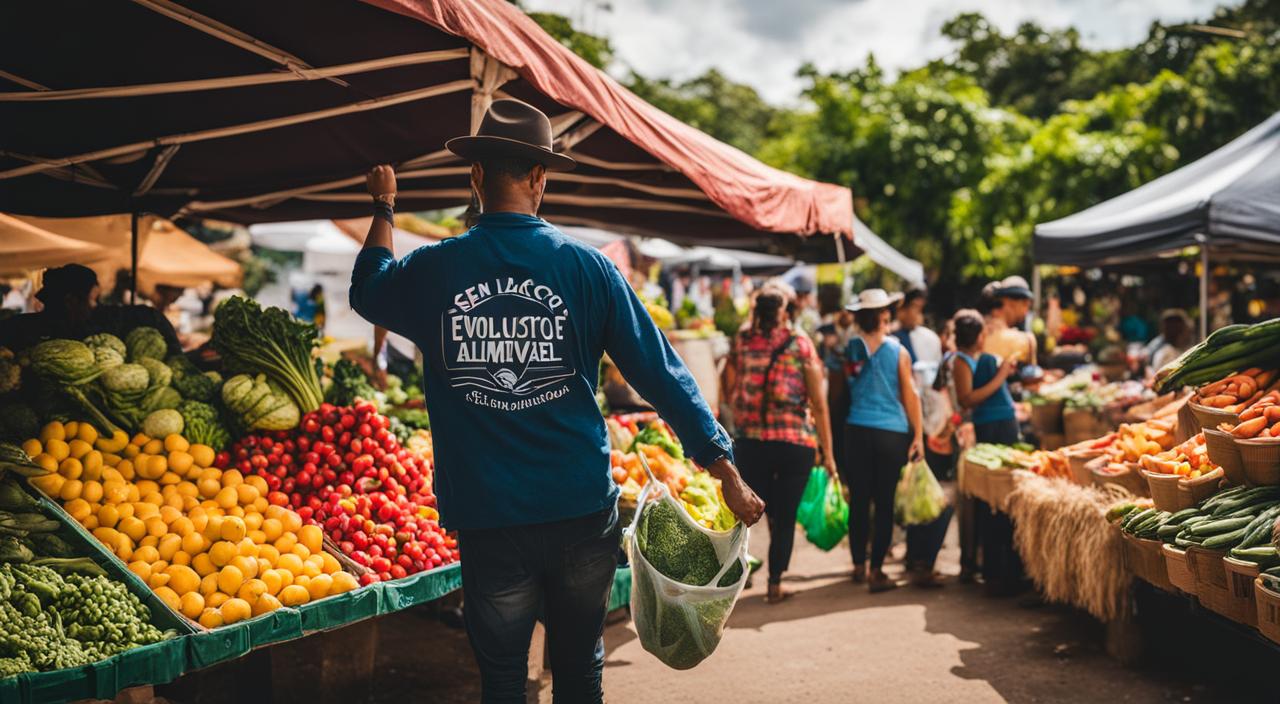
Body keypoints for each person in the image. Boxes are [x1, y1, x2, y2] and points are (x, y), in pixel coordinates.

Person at [348, 99, 763, 703]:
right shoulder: (589, 270)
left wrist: (385, 207)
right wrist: (723, 469)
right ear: (540, 179)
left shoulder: (438, 267)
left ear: (475, 177)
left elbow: (369, 290)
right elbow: (662, 372)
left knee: (503, 679)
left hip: (489, 516)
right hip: (578, 508)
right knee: (578, 668)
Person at [723, 281, 837, 604]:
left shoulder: (742, 341)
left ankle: (733, 579)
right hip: (793, 443)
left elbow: (728, 382)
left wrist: (735, 404)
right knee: (784, 518)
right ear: (784, 312)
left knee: (746, 514)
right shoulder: (801, 344)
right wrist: (828, 453)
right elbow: (818, 402)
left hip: (751, 441)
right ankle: (774, 584)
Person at [841, 288, 924, 593]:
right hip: (892, 433)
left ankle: (857, 565)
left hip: (857, 431)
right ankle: (877, 570)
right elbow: (911, 395)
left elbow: (846, 382)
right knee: (885, 502)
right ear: (883, 315)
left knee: (860, 500)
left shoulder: (852, 347)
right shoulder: (898, 350)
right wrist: (918, 435)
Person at [951, 308, 1021, 595]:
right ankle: (994, 571)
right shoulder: (961, 361)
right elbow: (967, 399)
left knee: (1004, 499)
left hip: (1001, 425)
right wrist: (1001, 375)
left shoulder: (985, 355)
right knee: (993, 501)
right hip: (990, 428)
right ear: (979, 335)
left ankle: (1005, 570)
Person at [0, 264, 181, 354]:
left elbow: (149, 316)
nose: (97, 306)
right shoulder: (21, 330)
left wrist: (175, 352)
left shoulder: (104, 320)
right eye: (94, 299)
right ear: (71, 301)